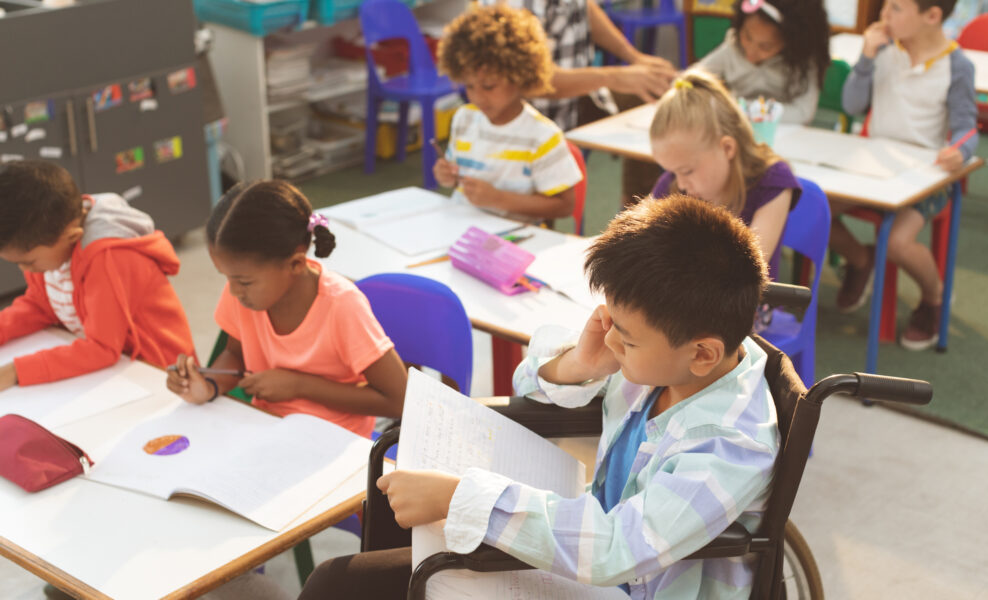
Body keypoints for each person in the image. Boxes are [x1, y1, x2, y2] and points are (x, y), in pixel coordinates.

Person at [298, 195, 780, 600]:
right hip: (591, 546)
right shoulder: (669, 361)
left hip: (628, 581)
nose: (611, 342)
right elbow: (531, 383)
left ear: (702, 354)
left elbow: (617, 550)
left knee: (347, 583)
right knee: (358, 563)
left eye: (626, 339)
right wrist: (578, 366)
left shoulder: (728, 443)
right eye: (610, 322)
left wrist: (460, 495)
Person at [166, 180, 407, 438]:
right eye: (227, 278)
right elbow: (234, 355)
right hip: (268, 428)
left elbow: (399, 399)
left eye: (244, 281)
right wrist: (208, 385)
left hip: (334, 440)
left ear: (295, 264)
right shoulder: (244, 295)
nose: (234, 291)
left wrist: (299, 386)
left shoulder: (342, 305)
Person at [833, 0, 978, 350]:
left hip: (926, 175)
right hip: (871, 163)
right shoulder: (883, 50)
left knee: (898, 242)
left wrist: (958, 151)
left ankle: (933, 298)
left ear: (932, 16)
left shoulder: (957, 65)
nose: (884, 15)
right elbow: (851, 105)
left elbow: (967, 129)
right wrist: (866, 58)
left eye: (896, 8)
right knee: (812, 208)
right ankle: (859, 259)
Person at [0, 160, 195, 391]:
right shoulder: (53, 244)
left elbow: (102, 348)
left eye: (29, 261)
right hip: (115, 371)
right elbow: (41, 305)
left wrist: (16, 371)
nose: (24, 270)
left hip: (161, 376)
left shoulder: (109, 258)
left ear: (73, 236)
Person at [433, 4, 583, 221]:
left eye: (489, 86)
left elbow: (564, 206)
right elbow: (462, 178)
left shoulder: (542, 136)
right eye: (469, 86)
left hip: (514, 240)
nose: (477, 97)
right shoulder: (463, 119)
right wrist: (448, 177)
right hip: (464, 225)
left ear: (519, 77)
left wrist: (499, 199)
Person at [649, 70, 799, 279]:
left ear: (727, 148)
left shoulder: (772, 182)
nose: (681, 184)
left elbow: (747, 273)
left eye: (687, 171)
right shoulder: (673, 183)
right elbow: (640, 246)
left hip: (743, 307)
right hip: (680, 302)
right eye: (672, 171)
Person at [479, 0, 676, 133]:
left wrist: (635, 57)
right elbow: (530, 79)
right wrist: (614, 77)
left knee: (658, 93)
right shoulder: (514, 4)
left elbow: (581, 7)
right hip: (534, 124)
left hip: (579, 100)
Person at [697, 0, 831, 125]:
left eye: (765, 47)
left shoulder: (803, 62)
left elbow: (803, 112)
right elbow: (696, 76)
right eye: (747, 36)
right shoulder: (734, 46)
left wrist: (741, 109)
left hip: (785, 135)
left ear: (791, 42)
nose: (750, 52)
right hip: (740, 130)